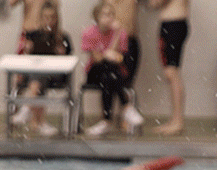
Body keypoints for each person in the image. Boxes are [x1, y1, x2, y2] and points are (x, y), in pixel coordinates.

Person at [80, 1, 144, 137]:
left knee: (109, 76)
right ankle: (126, 107)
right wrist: (107, 55)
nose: (108, 18)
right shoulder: (89, 32)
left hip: (109, 74)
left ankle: (106, 121)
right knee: (108, 70)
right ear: (97, 17)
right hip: (94, 72)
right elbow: (97, 59)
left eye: (111, 15)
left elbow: (118, 58)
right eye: (105, 15)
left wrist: (117, 33)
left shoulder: (120, 34)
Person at [10, 1, 71, 137]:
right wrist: (27, 51)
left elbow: (69, 60)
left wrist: (62, 53)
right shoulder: (34, 36)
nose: (49, 21)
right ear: (40, 18)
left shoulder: (62, 37)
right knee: (37, 77)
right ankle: (38, 121)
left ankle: (28, 109)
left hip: (55, 74)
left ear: (56, 19)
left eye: (52, 18)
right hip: (37, 74)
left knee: (39, 77)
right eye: (45, 17)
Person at [148, 0, 187, 135]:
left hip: (173, 25)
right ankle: (175, 120)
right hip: (173, 25)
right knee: (171, 74)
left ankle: (178, 121)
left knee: (172, 73)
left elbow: (155, 3)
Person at [107, 0, 139, 89]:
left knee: (125, 83)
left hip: (129, 41)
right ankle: (125, 101)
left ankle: (126, 101)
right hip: (109, 42)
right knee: (107, 83)